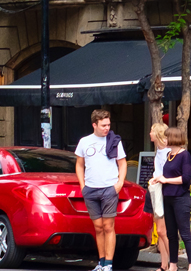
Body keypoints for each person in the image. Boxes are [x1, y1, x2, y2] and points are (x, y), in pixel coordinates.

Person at [74, 110, 128, 271]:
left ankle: (109, 264)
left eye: (108, 125)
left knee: (108, 226)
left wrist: (119, 183)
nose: (107, 128)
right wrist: (82, 185)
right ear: (94, 125)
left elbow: (122, 163)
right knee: (98, 227)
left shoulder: (114, 141)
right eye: (103, 125)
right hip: (90, 188)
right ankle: (101, 261)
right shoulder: (84, 141)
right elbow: (79, 164)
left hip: (109, 188)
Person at [148, 128, 191, 271]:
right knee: (171, 233)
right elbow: (166, 176)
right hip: (167, 197)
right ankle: (173, 265)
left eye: (166, 137)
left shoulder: (184, 155)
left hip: (180, 198)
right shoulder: (169, 155)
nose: (164, 140)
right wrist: (159, 179)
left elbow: (186, 178)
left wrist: (166, 180)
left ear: (174, 139)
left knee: (185, 232)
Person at [146, 123, 172, 271]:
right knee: (160, 229)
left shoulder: (168, 152)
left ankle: (173, 261)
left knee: (162, 231)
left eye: (151, 131)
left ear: (157, 134)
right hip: (156, 190)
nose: (150, 134)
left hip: (163, 191)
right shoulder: (159, 150)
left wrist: (158, 178)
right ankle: (164, 265)